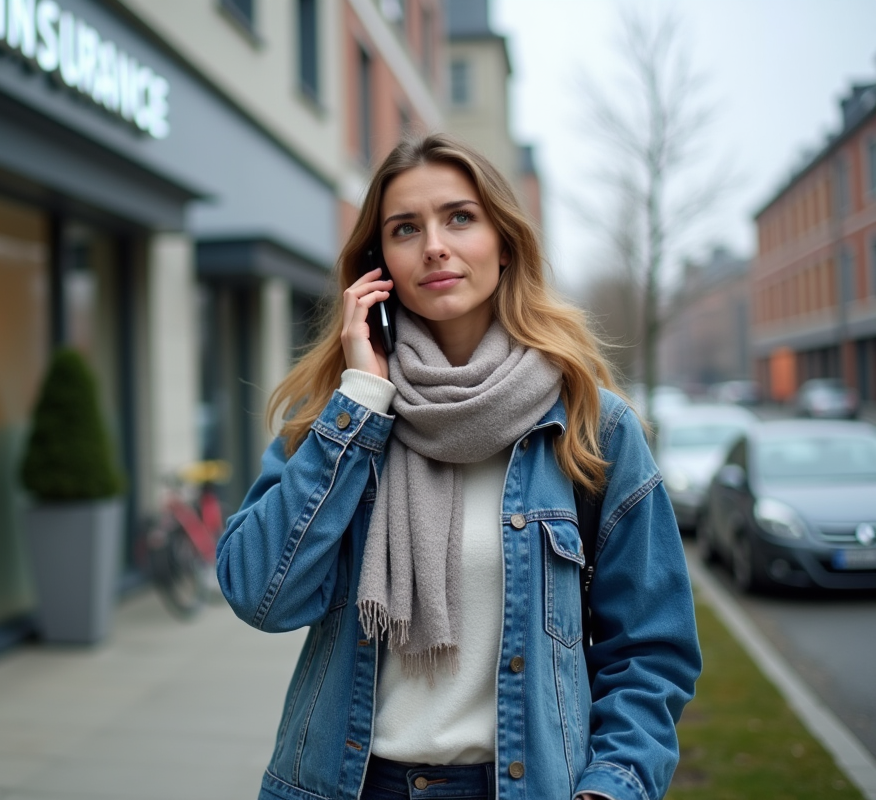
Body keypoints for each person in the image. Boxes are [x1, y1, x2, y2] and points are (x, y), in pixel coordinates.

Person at [216, 133, 701, 800]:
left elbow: (650, 648)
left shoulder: (592, 425)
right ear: (378, 264)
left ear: (504, 244)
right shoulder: (339, 413)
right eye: (405, 228)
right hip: (349, 785)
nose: (434, 246)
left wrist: (611, 786)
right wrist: (361, 404)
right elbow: (259, 595)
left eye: (460, 218)